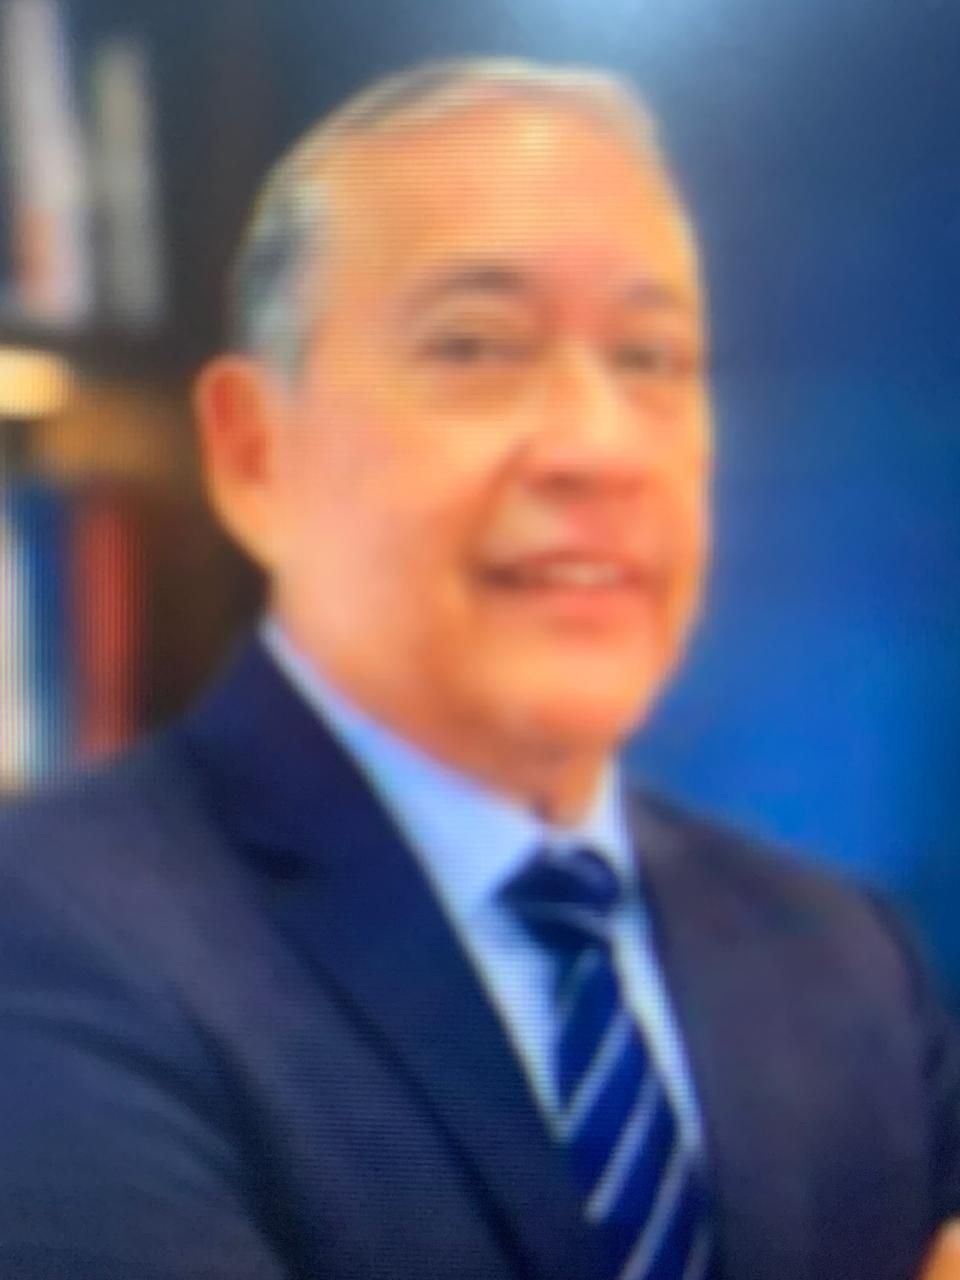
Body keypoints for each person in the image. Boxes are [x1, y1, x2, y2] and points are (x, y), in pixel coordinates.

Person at [0, 58, 958, 1280]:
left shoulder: (847, 955)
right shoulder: (50, 934)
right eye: (476, 346)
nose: (599, 445)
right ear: (254, 451)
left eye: (653, 357)